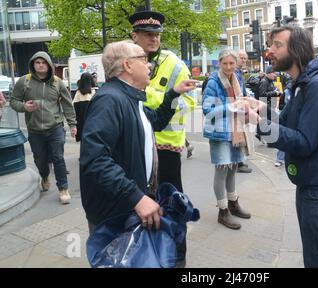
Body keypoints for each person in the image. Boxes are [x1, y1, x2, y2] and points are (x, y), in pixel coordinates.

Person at [80, 41, 196, 236]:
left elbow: (157, 121)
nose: (149, 65)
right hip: (114, 214)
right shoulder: (110, 100)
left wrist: (174, 93)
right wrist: (136, 198)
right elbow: (95, 160)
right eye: (143, 59)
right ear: (127, 65)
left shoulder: (131, 98)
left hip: (126, 207)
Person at [258, 25, 318, 268]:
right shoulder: (302, 84)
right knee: (315, 256)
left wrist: (260, 125)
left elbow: (304, 142)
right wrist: (260, 111)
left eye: (277, 45)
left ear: (296, 50)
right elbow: (284, 124)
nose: (270, 51)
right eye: (271, 45)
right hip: (310, 184)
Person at [129, 7, 196, 267]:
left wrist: (152, 101)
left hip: (167, 148)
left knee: (172, 203)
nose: (153, 38)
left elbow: (188, 102)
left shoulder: (175, 63)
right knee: (143, 205)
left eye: (156, 33)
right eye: (146, 33)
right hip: (138, 147)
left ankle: (178, 258)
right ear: (134, 36)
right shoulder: (127, 61)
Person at [10, 52, 77, 204]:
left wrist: (73, 124)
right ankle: (45, 176)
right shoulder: (24, 81)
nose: (40, 65)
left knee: (58, 158)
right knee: (40, 159)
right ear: (33, 65)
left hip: (55, 127)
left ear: (48, 65)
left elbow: (67, 104)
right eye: (37, 62)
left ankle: (63, 188)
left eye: (43, 62)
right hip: (35, 130)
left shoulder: (57, 82)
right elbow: (14, 101)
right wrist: (24, 107)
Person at [202, 49, 258, 230]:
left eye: (231, 63)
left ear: (236, 64)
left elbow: (239, 99)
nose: (228, 67)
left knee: (233, 168)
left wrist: (246, 102)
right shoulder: (213, 81)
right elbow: (207, 111)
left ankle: (233, 203)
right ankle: (223, 210)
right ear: (219, 63)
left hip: (236, 130)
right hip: (220, 133)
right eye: (224, 63)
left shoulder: (237, 78)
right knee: (222, 171)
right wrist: (231, 106)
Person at [236, 50, 253, 173]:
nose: (243, 60)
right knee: (239, 135)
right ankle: (238, 162)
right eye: (241, 58)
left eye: (245, 58)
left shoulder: (239, 73)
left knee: (242, 135)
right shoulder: (235, 73)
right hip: (237, 108)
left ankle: (240, 161)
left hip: (241, 107)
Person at [73, 72, 95, 142]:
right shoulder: (95, 91)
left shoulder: (78, 93)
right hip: (94, 124)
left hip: (81, 125)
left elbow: (74, 109)